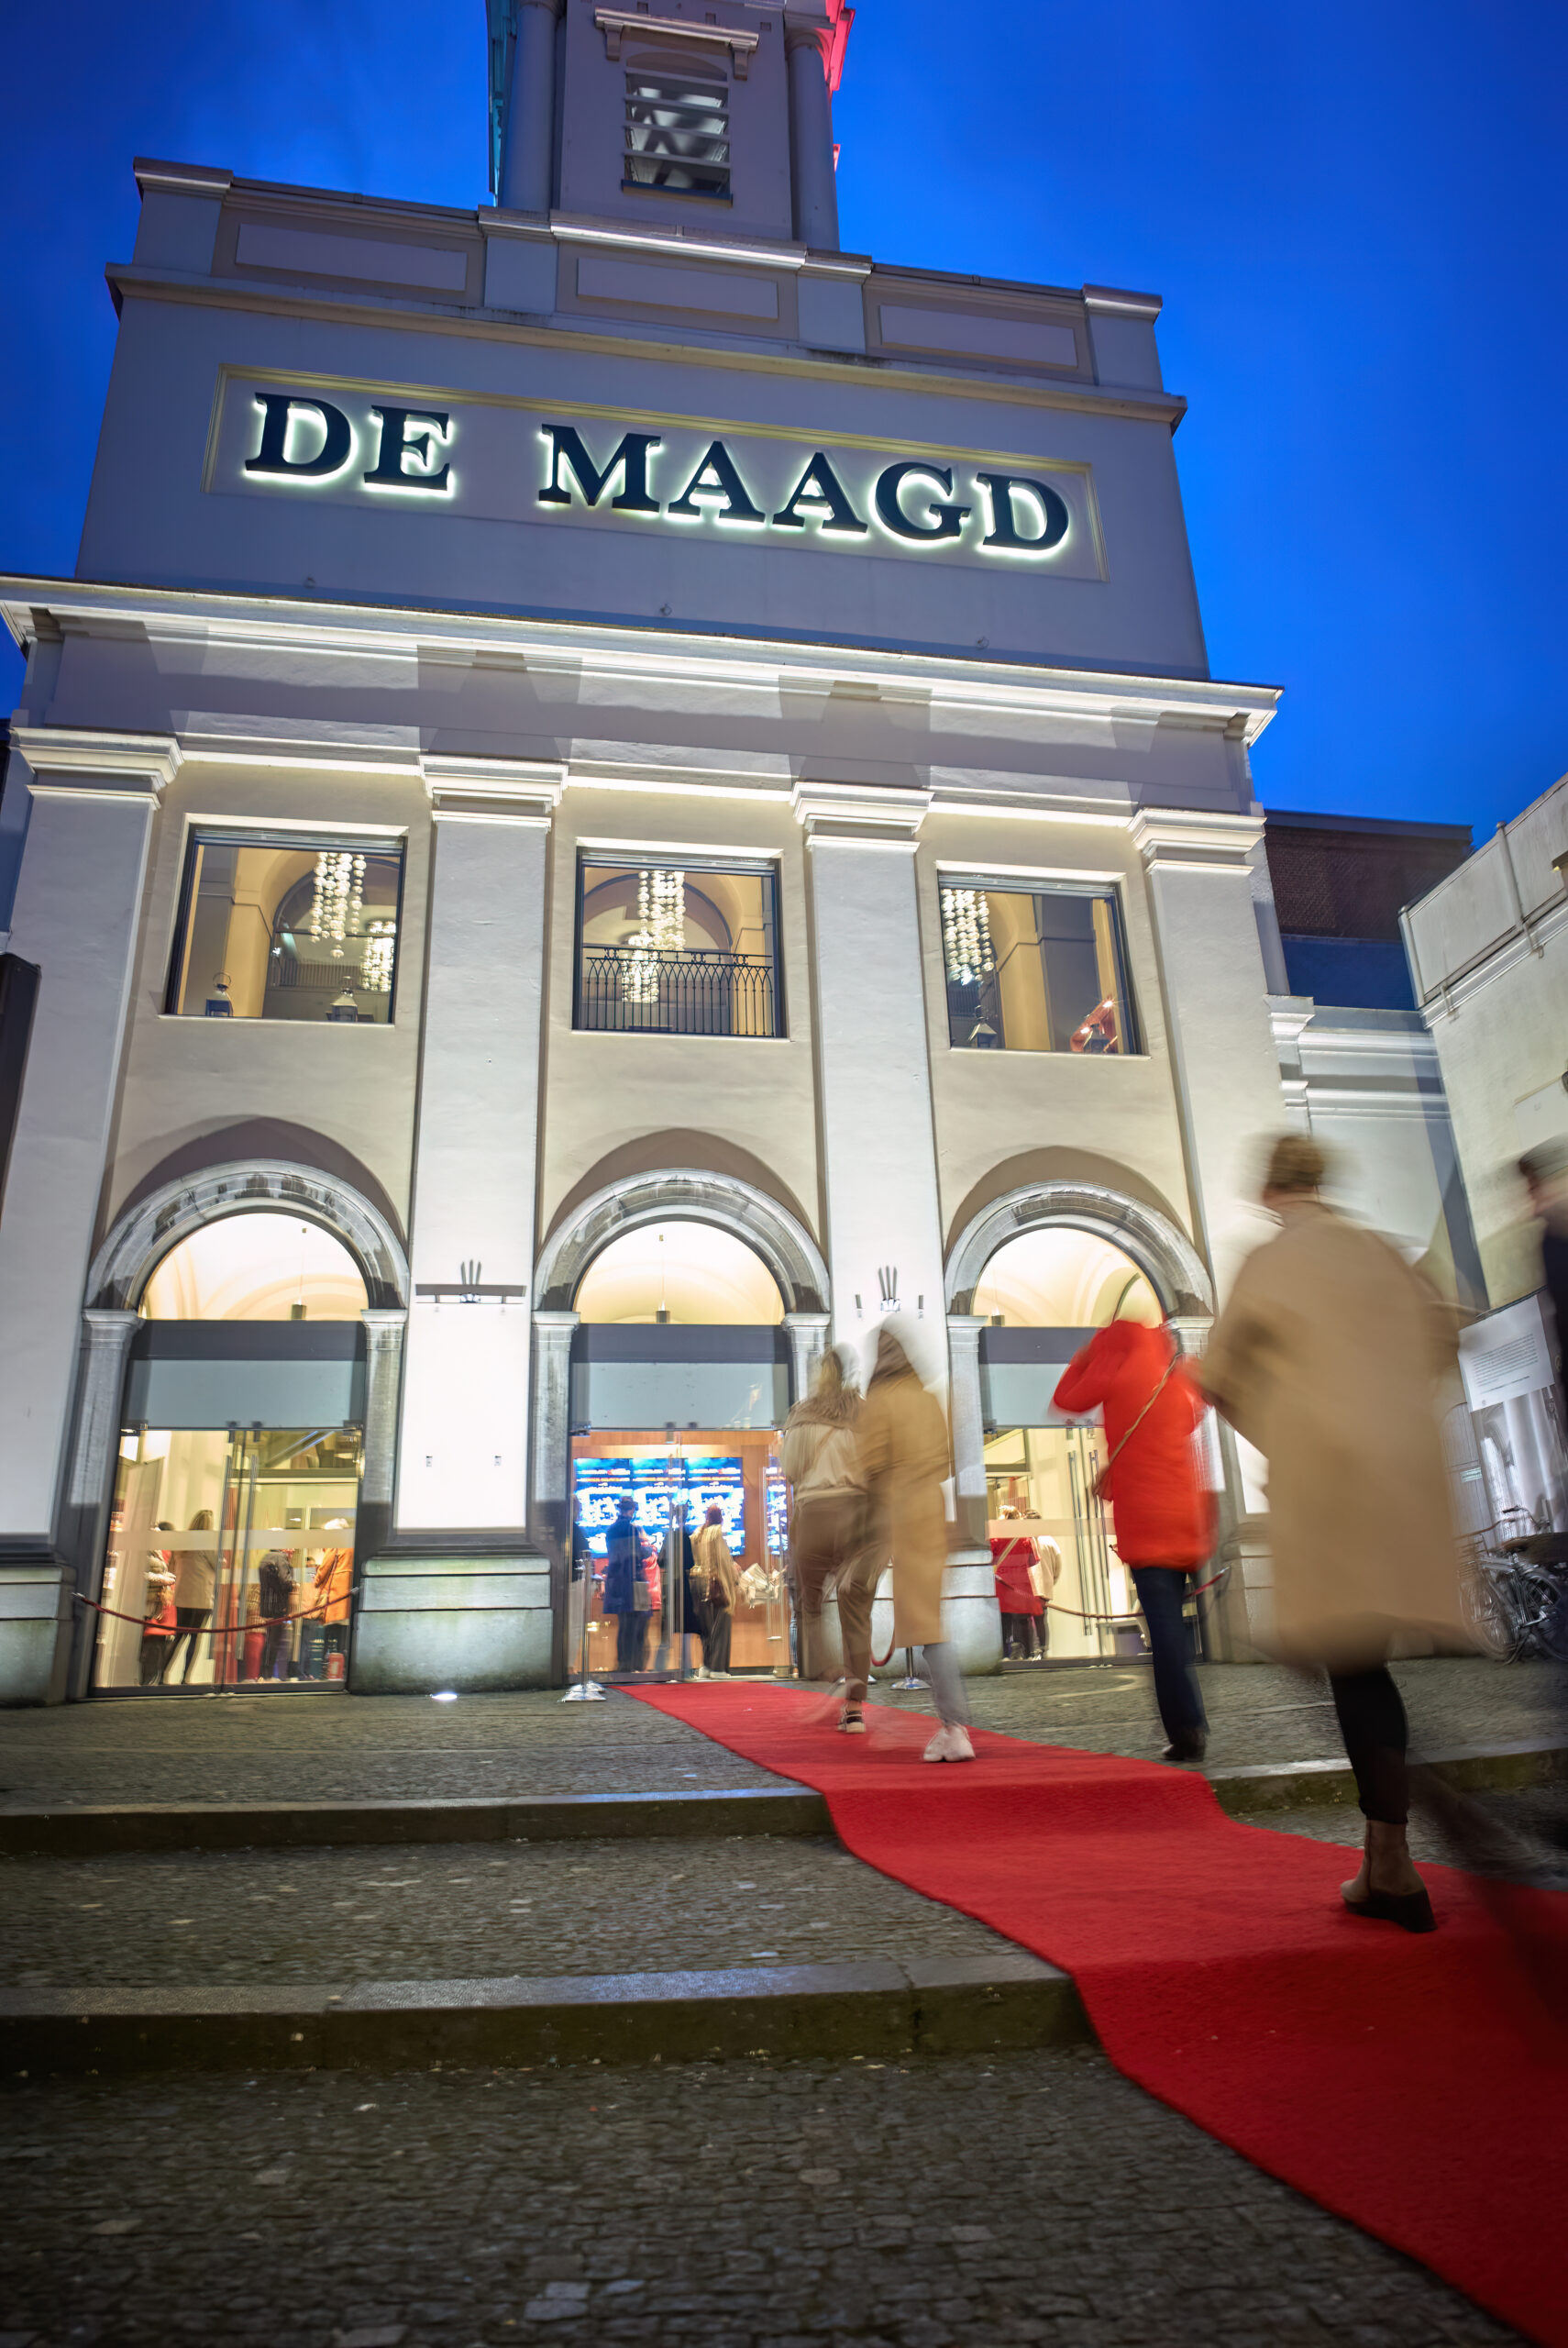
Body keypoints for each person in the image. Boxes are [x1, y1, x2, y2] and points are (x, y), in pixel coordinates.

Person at [1197, 1133, 1469, 1933]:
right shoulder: (1381, 1253)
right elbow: (1445, 1332)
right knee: (1363, 1661)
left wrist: (1283, 1432)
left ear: (1270, 1191)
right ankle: (1386, 1859)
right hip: (1405, 1482)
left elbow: (1219, 1377)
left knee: (1349, 1665)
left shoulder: (1271, 1261)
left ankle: (1394, 1863)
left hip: (1331, 1485)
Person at [1054, 1317, 1216, 1761]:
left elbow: (1067, 1398)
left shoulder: (1114, 1365)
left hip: (1147, 1522)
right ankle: (1191, 1718)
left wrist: (1084, 1358)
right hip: (1186, 1516)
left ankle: (1186, 1729)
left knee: (1164, 1630)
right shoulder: (1173, 1371)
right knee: (1174, 1626)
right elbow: (1189, 1420)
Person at [857, 1329, 972, 1762]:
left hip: (902, 1515)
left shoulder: (881, 1400)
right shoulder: (926, 1398)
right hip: (932, 1512)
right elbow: (947, 1459)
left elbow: (869, 1466)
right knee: (929, 1620)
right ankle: (953, 1725)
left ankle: (955, 1727)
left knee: (926, 1626)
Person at [780, 1346, 872, 1732]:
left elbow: (790, 1470)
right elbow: (877, 1467)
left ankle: (825, 1668)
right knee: (857, 1613)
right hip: (857, 1517)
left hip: (814, 1514)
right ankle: (854, 1705)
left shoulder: (802, 1415)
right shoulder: (865, 1413)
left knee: (810, 1604)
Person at [167, 1510, 216, 1683]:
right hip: (201, 1597)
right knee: (195, 1638)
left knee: (179, 1636)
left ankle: (163, 1673)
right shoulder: (207, 1543)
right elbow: (217, 1563)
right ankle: (185, 1678)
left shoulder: (183, 1543)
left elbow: (172, 1567)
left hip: (182, 1596)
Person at [603, 1495, 651, 1673]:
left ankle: (623, 1663)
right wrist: (648, 1549)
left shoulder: (610, 1530)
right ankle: (634, 1664)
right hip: (633, 1582)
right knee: (637, 1625)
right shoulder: (632, 1529)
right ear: (632, 1510)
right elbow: (636, 1553)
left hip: (617, 1582)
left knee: (624, 1625)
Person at [690, 1503, 739, 1677]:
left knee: (706, 1629)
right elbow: (721, 1561)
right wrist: (733, 1574)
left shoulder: (696, 1535)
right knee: (721, 1626)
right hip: (716, 1583)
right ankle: (718, 1668)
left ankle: (707, 1666)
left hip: (698, 1583)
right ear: (720, 1518)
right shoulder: (716, 1534)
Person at [990, 1509, 1044, 1659]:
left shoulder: (996, 1539)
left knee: (1004, 1621)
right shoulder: (1026, 1539)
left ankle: (1004, 1654)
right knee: (1022, 1621)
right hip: (1021, 1584)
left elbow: (991, 1559)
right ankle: (1026, 1653)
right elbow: (1033, 1561)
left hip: (1003, 1584)